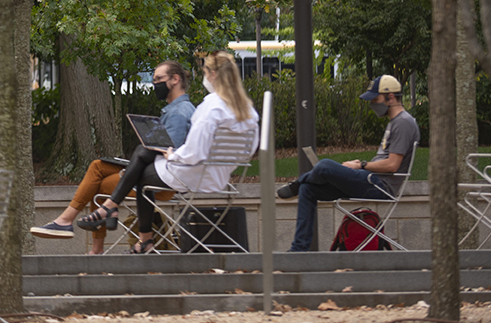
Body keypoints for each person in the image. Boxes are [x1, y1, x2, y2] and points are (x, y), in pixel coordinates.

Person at [77, 51, 259, 254]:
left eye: (205, 72)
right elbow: (249, 150)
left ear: (213, 74)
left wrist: (173, 155)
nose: (205, 77)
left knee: (141, 173)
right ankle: (127, 223)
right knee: (143, 157)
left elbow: (194, 151)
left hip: (193, 173)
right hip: (220, 175)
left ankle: (124, 219)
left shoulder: (211, 107)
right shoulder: (248, 110)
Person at [31, 61, 195, 248]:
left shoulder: (179, 113)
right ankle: (72, 223)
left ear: (175, 79)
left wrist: (133, 170)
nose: (154, 84)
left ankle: (81, 234)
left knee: (99, 184)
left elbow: (167, 154)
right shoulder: (176, 109)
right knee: (97, 166)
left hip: (160, 181)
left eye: (159, 79)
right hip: (150, 170)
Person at [278, 74, 420, 252]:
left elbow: (392, 165)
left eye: (375, 99)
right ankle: (298, 250)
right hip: (369, 180)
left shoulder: (404, 123)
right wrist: (357, 166)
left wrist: (360, 165)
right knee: (309, 190)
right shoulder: (396, 122)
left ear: (390, 97)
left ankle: (298, 183)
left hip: (380, 186)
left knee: (324, 166)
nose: (372, 104)